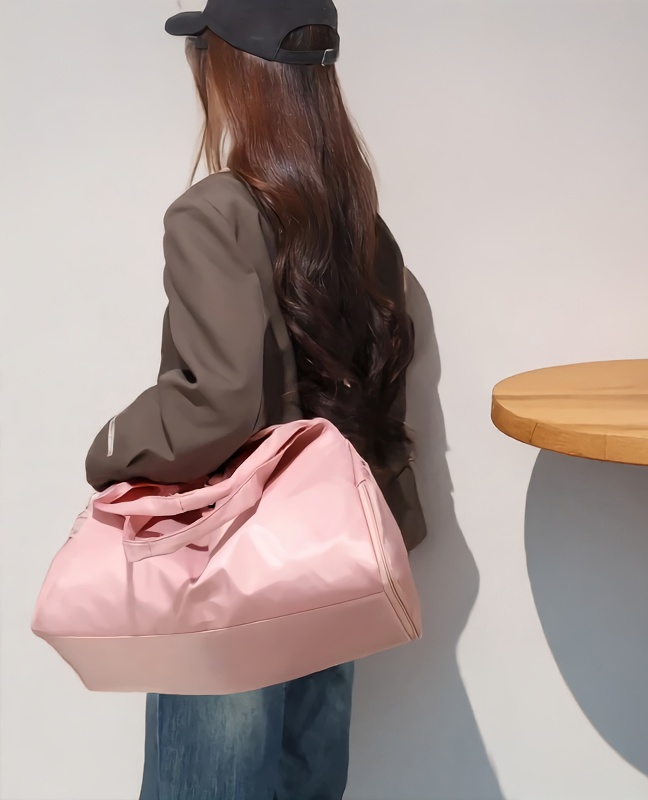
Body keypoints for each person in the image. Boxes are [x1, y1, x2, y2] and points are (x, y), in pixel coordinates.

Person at [83, 1, 427, 797]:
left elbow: (220, 400)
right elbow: (378, 399)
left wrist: (111, 447)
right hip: (328, 569)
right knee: (306, 785)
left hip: (231, 572)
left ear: (233, 72)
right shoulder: (363, 228)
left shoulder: (215, 213)